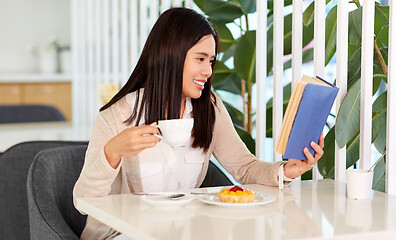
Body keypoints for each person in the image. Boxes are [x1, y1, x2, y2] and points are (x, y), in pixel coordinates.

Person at [73, 7, 324, 240]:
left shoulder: (209, 108)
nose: (208, 71)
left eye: (211, 61)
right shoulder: (118, 115)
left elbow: (245, 168)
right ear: (170, 56)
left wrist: (286, 170)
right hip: (122, 234)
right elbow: (83, 199)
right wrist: (113, 151)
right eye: (200, 59)